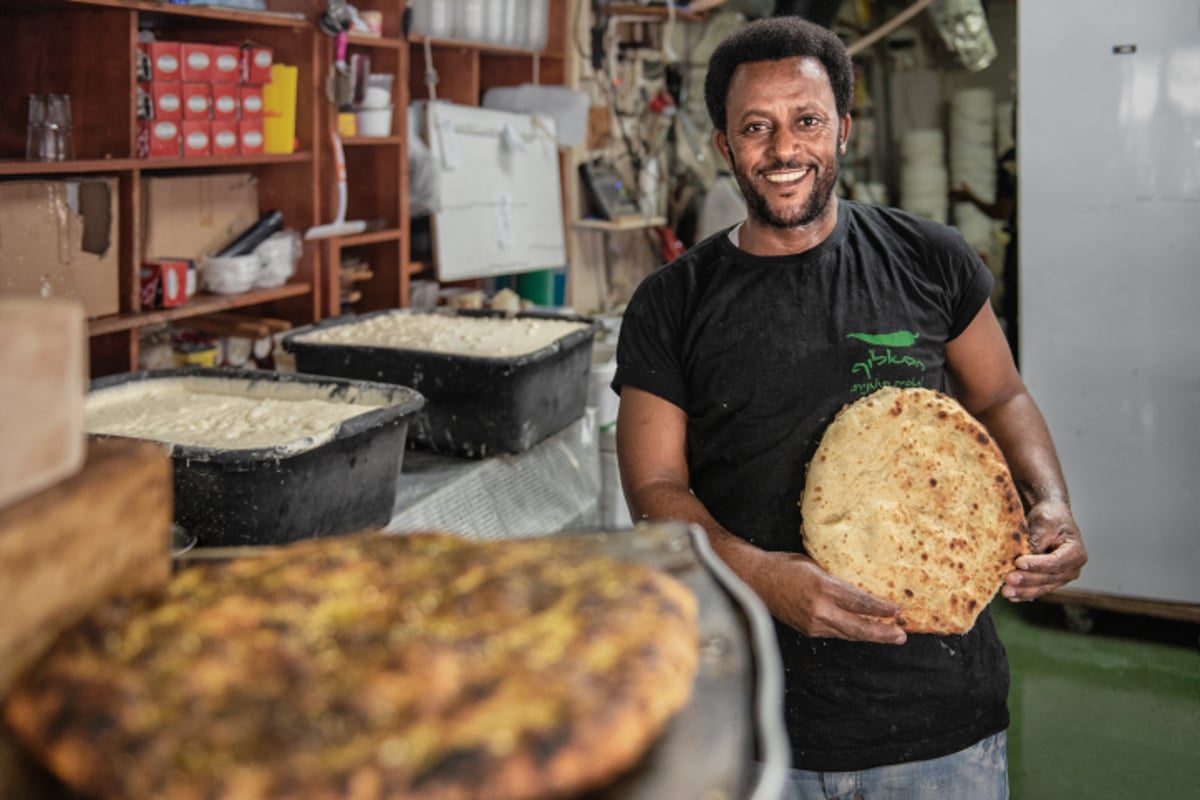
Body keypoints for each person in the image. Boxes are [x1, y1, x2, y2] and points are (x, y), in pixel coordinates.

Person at [612, 16, 1086, 799]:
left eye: (808, 121)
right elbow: (654, 492)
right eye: (755, 128)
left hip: (938, 718)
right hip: (756, 717)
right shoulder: (672, 302)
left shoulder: (928, 258)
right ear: (726, 147)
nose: (785, 149)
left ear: (844, 130)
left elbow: (1001, 393)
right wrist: (767, 577)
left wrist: (1054, 501)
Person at [950, 127, 1019, 361]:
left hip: (1019, 250)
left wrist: (971, 198)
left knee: (1016, 308)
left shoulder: (1013, 159)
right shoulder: (1013, 158)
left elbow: (1003, 210)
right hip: (1018, 246)